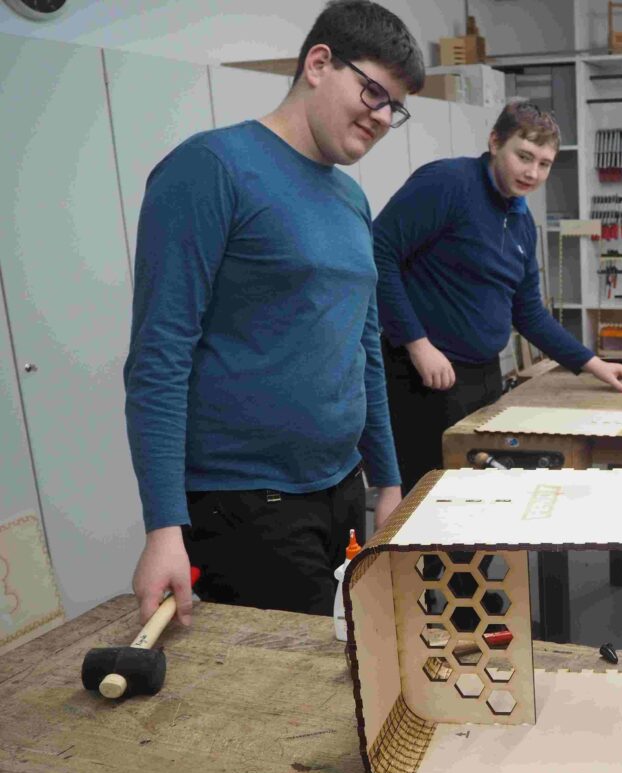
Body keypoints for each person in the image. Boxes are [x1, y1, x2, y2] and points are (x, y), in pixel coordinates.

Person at [124, 0, 423, 626]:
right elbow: (159, 357)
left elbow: (364, 349)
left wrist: (389, 482)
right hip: (247, 505)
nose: (381, 117)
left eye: (393, 107)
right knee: (297, 676)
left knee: (351, 653)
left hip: (342, 488)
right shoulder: (211, 169)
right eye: (373, 92)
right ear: (319, 63)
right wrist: (163, 527)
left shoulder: (351, 198)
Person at [373, 101, 622, 490]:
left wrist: (594, 364)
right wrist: (417, 343)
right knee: (427, 497)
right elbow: (378, 252)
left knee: (474, 494)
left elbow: (529, 312)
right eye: (524, 156)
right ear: (495, 142)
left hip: (483, 377)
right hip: (425, 376)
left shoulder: (520, 222)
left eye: (545, 164)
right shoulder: (447, 183)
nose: (533, 173)